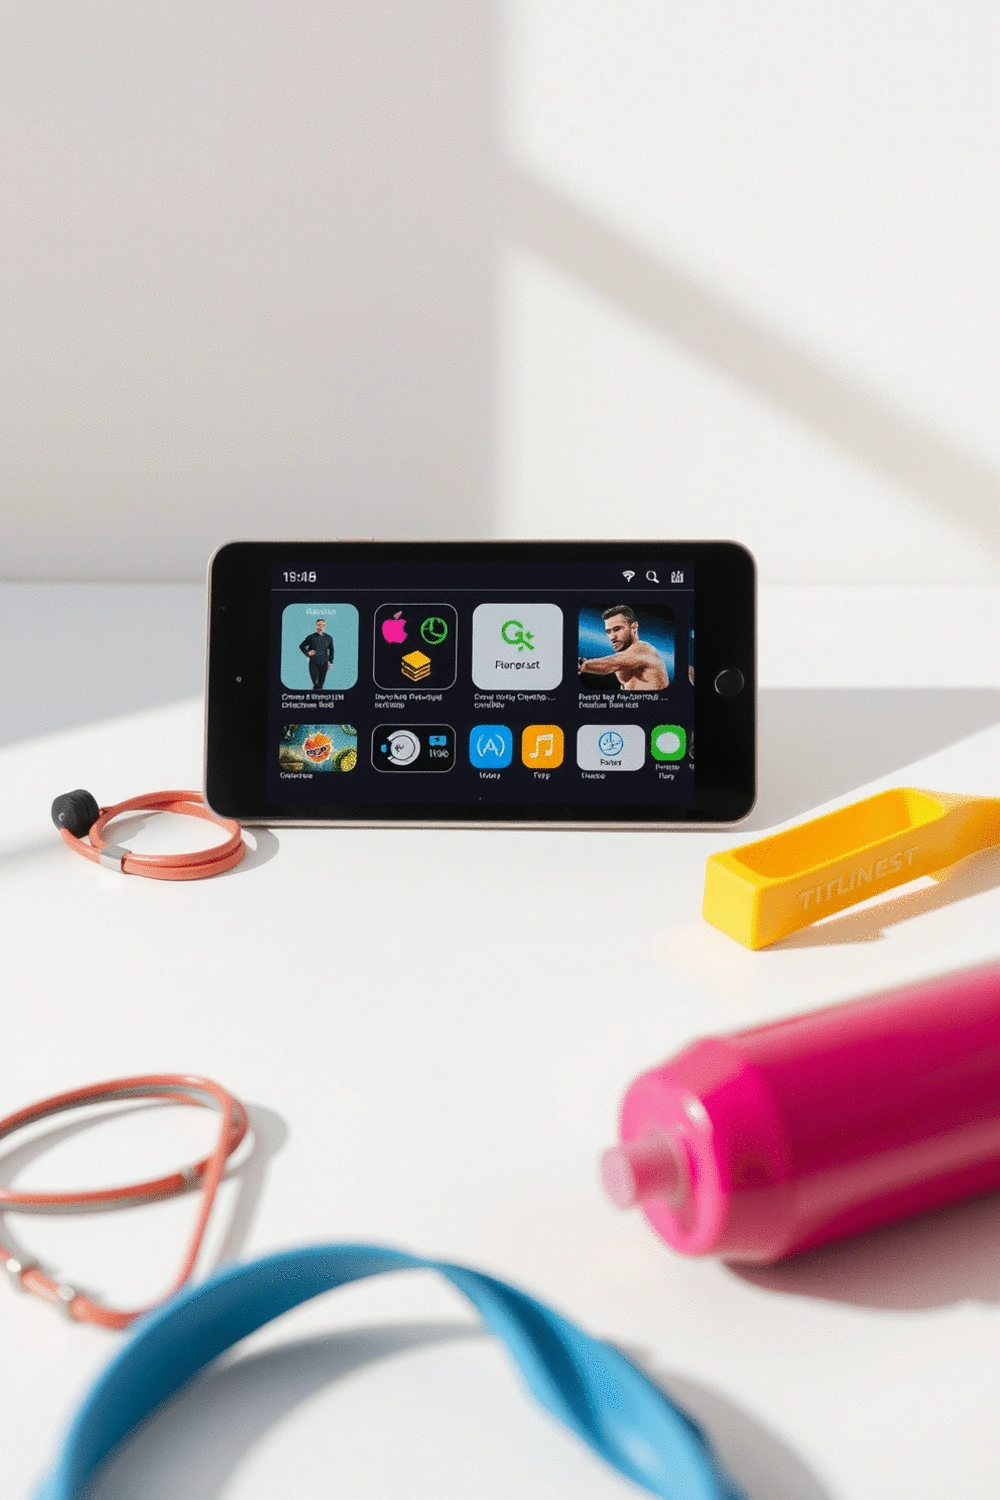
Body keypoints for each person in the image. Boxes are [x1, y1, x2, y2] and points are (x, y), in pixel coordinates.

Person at [578, 605, 669, 692]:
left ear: (634, 627)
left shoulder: (644, 649)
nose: (612, 637)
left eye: (617, 629)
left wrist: (582, 664)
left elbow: (611, 664)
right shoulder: (625, 658)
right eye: (608, 631)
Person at [299, 618, 335, 690]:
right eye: (319, 625)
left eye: (322, 625)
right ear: (316, 625)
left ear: (325, 626)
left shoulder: (329, 638)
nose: (320, 626)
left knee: (321, 684)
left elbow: (332, 650)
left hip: (324, 662)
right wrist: (307, 653)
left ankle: (318, 698)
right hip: (313, 662)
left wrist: (330, 662)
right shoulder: (311, 637)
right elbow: (301, 646)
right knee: (316, 683)